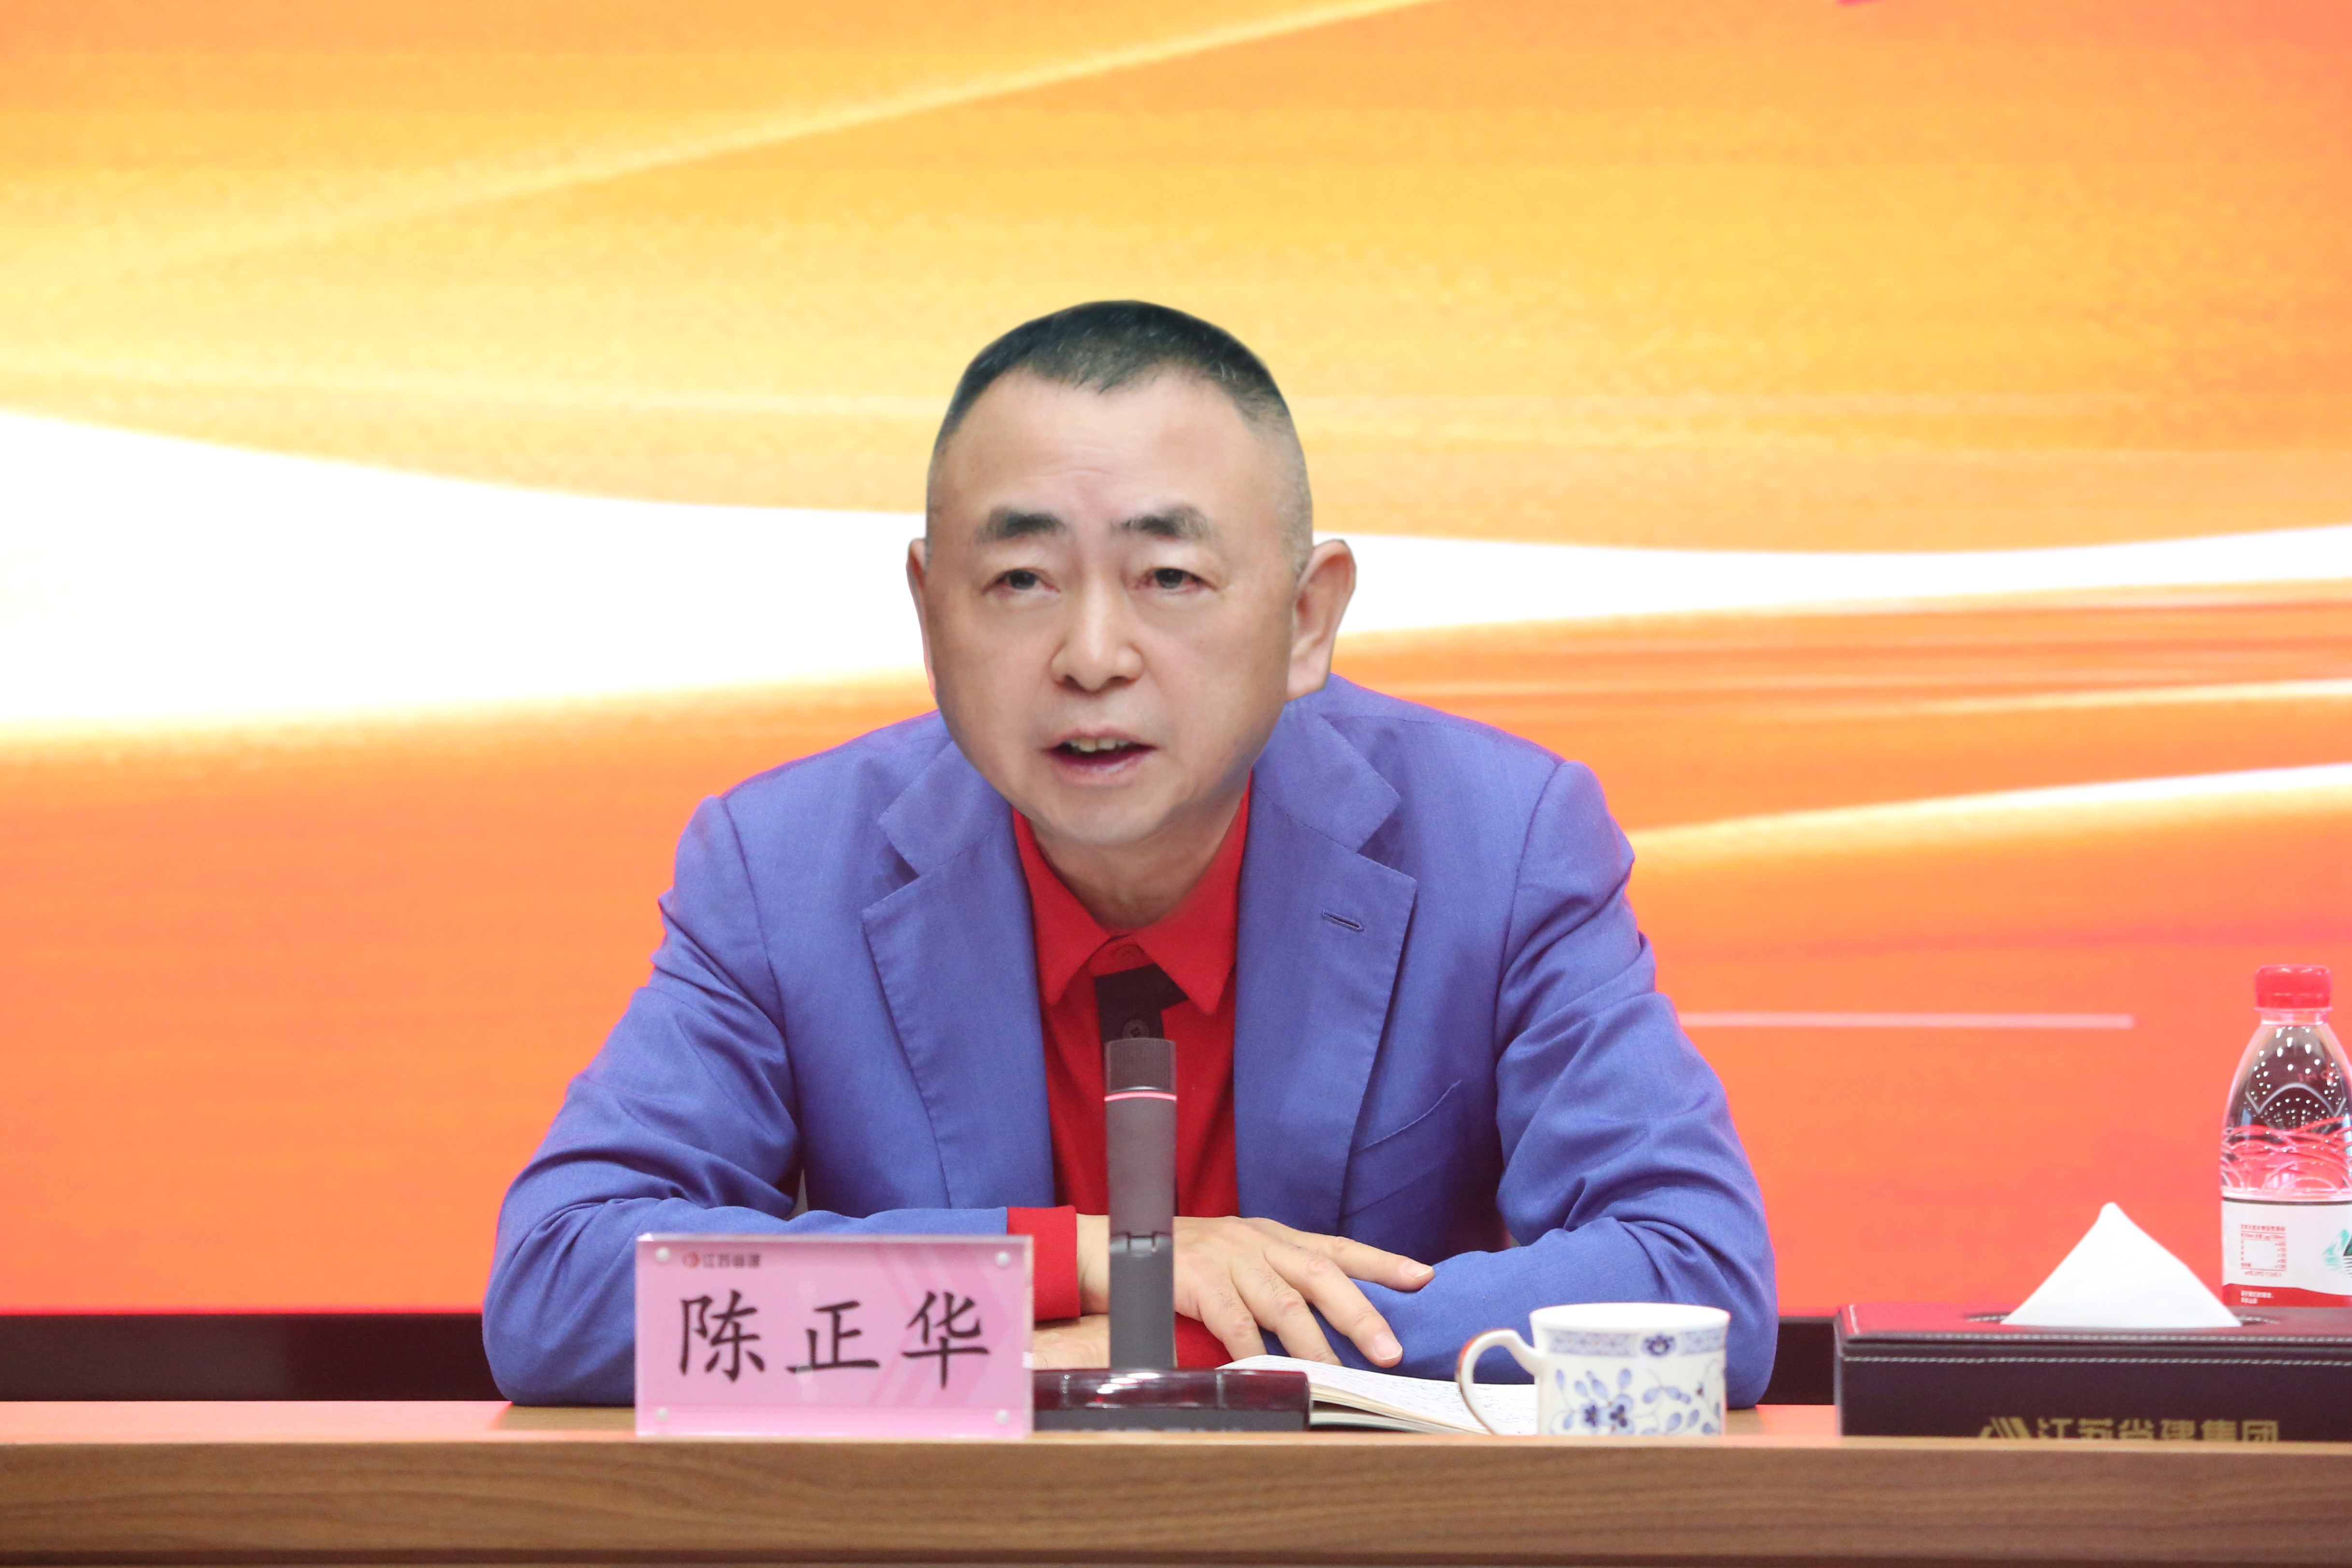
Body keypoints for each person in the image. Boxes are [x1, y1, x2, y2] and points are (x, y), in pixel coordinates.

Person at [485, 301, 1776, 1404]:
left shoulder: (1504, 841)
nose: (1092, 656)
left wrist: (1181, 1345)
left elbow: (1698, 1281)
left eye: (1169, 578)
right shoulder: (782, 868)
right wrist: (1075, 1268)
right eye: (1021, 581)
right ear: (930, 615)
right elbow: (558, 1291)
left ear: (1308, 618)